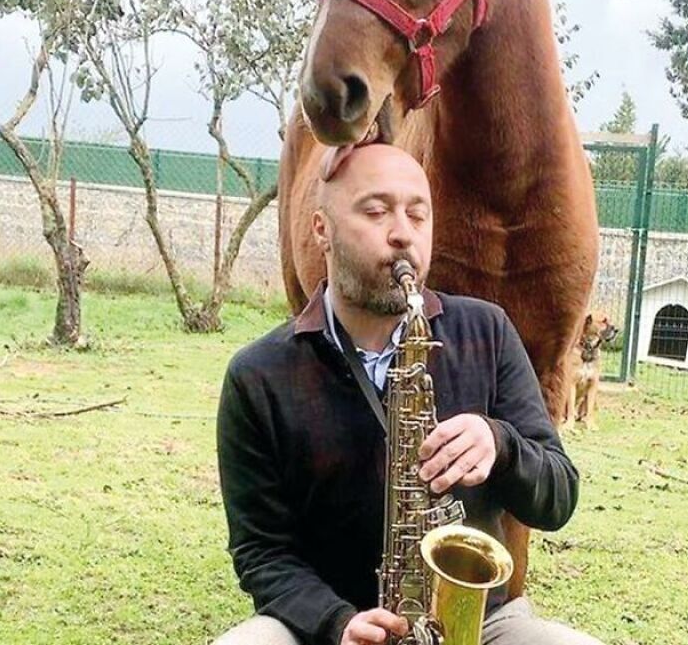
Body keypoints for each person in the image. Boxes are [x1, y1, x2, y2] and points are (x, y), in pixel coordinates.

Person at [215, 144, 604, 645]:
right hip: (321, 629)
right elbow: (260, 553)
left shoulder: (487, 332)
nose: (403, 233)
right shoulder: (257, 375)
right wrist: (335, 621)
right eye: (376, 211)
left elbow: (558, 497)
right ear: (321, 230)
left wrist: (502, 444)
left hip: (478, 625)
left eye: (418, 215)